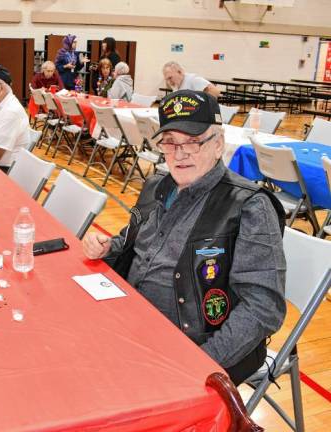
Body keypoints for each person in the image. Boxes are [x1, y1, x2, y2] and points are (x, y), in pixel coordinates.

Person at [82, 89, 286, 385]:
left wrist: (200, 361)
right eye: (170, 142)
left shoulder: (249, 206)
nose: (179, 154)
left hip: (197, 345)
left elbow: (263, 306)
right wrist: (107, 248)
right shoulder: (157, 187)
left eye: (192, 142)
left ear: (218, 145)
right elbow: (133, 244)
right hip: (129, 321)